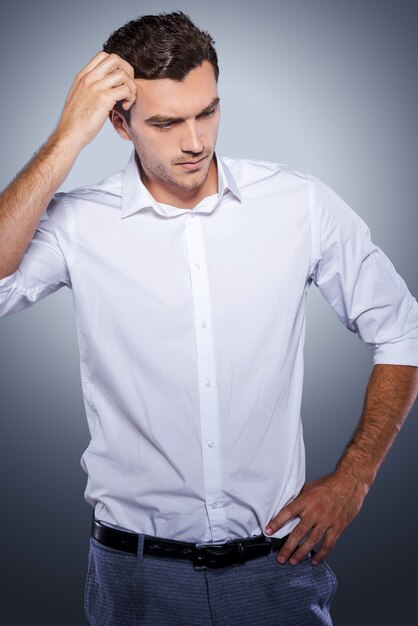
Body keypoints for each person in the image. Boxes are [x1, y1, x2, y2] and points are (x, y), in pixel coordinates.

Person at [1, 9, 417, 626]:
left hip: (277, 570)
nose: (194, 141)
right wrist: (67, 138)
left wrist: (354, 478)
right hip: (135, 578)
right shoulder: (76, 225)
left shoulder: (298, 204)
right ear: (119, 123)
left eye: (207, 112)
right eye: (165, 123)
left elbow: (402, 331)